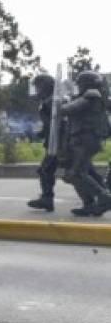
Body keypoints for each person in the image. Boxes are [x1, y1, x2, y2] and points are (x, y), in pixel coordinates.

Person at [61, 71, 111, 217]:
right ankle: (89, 204)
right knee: (79, 174)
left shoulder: (91, 95)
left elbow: (67, 109)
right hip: (82, 141)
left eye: (80, 84)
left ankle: (105, 198)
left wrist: (60, 103)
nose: (78, 86)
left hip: (86, 141)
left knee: (76, 174)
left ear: (86, 84)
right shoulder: (89, 96)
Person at [27, 74, 61, 211]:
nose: (36, 90)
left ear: (45, 87)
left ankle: (47, 199)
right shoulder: (52, 101)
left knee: (46, 170)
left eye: (38, 86)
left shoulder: (50, 103)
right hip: (57, 141)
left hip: (57, 143)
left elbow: (52, 126)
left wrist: (37, 134)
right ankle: (100, 196)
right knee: (83, 170)